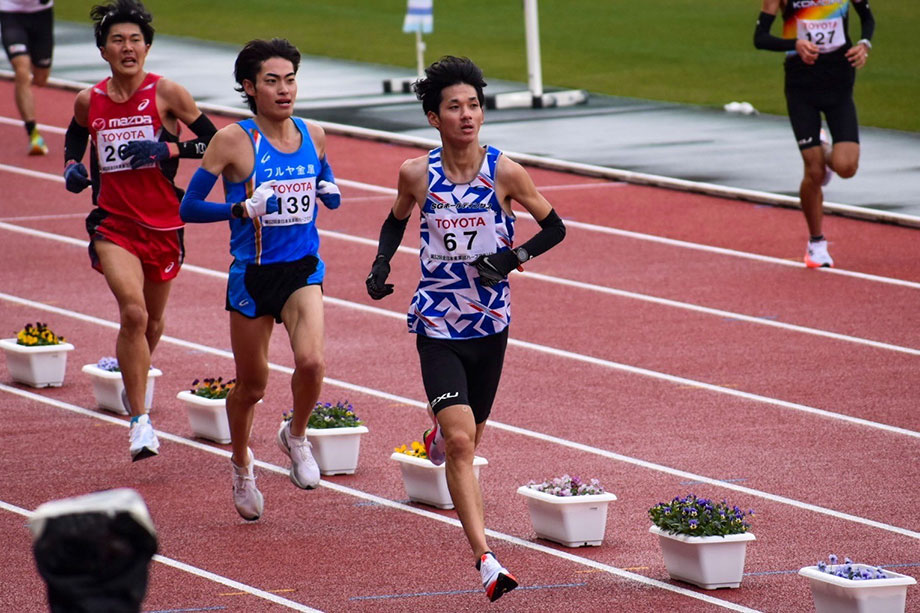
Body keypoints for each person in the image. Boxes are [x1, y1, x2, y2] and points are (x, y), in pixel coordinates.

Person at [365, 56, 565, 602]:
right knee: (461, 443)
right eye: (454, 106)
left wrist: (513, 256)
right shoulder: (417, 173)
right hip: (436, 321)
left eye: (474, 104)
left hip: (491, 324)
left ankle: (432, 435)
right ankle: (485, 557)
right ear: (434, 117)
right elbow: (396, 217)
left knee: (467, 436)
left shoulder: (505, 172)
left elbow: (555, 227)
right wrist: (381, 264)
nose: (467, 114)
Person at [179, 38, 342, 522]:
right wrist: (239, 208)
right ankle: (241, 462)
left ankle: (296, 435)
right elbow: (187, 206)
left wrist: (327, 187)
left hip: (301, 269)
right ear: (250, 87)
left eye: (290, 79)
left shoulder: (315, 132)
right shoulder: (234, 140)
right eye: (272, 80)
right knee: (252, 385)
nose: (284, 89)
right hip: (251, 275)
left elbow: (322, 176)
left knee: (312, 363)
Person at [62, 0, 216, 461]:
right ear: (103, 50)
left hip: (165, 224)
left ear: (147, 47)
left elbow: (216, 142)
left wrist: (169, 150)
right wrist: (71, 164)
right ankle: (141, 421)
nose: (127, 47)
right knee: (132, 314)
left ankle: (133, 373)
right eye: (117, 40)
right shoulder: (90, 100)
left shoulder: (168, 93)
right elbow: (75, 132)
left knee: (151, 320)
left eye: (135, 40)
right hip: (113, 221)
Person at [754, 0, 875, 268]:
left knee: (846, 166)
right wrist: (794, 44)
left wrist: (864, 44)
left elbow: (867, 18)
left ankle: (823, 146)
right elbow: (760, 38)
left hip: (839, 82)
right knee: (815, 171)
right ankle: (816, 244)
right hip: (802, 87)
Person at [0, 0, 54, 155]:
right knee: (22, 70)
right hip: (11, 13)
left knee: (41, 79)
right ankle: (33, 134)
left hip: (42, 13)